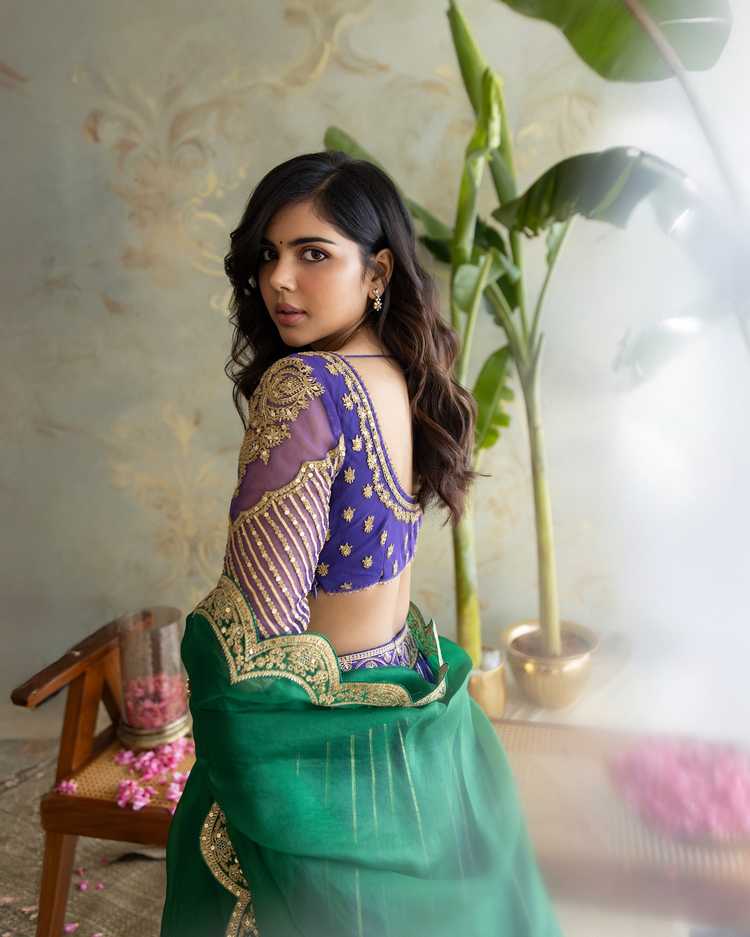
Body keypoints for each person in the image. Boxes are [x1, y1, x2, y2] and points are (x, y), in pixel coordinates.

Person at [160, 150, 563, 937]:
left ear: (377, 271)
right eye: (268, 254)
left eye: (313, 254)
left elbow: (259, 634)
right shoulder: (399, 373)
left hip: (322, 748)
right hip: (408, 713)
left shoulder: (305, 384)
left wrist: (208, 665)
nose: (279, 280)